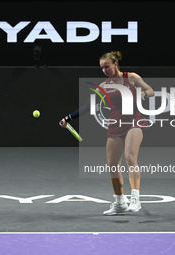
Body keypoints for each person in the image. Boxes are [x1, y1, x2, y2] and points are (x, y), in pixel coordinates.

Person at [59, 51, 155, 215]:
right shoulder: (104, 86)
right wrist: (68, 118)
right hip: (115, 124)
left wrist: (145, 93)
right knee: (112, 165)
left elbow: (150, 89)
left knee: (130, 157)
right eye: (102, 68)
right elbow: (89, 106)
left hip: (134, 121)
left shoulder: (131, 77)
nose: (104, 70)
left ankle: (135, 199)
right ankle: (119, 202)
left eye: (107, 66)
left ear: (115, 64)